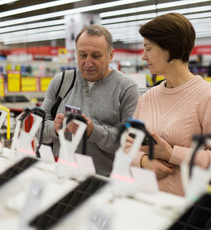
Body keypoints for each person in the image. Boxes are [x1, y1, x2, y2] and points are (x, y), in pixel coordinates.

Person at [127, 13, 211, 196]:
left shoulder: (209, 97)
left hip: (190, 210)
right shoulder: (148, 98)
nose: (143, 57)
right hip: (147, 202)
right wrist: (145, 161)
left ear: (171, 49)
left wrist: (172, 154)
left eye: (149, 48)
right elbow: (127, 145)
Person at [41, 24, 140, 176]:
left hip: (103, 181)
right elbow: (37, 128)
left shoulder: (126, 88)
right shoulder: (61, 81)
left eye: (96, 56)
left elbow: (130, 143)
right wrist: (54, 128)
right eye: (82, 55)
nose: (88, 63)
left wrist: (93, 131)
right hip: (60, 174)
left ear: (110, 55)